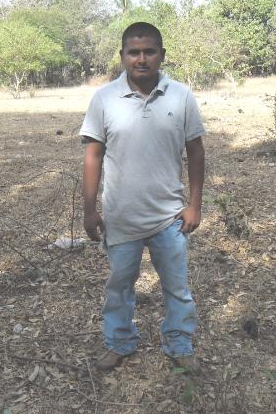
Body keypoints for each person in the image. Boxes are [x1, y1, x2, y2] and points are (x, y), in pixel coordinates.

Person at [80, 22, 205, 372]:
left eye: (149, 51)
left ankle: (179, 342)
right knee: (119, 287)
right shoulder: (104, 98)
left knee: (177, 288)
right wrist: (90, 210)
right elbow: (93, 155)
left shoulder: (181, 96)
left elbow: (196, 151)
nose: (142, 59)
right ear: (122, 56)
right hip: (121, 216)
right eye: (134, 52)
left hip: (170, 217)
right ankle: (119, 341)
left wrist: (195, 205)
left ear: (162, 55)